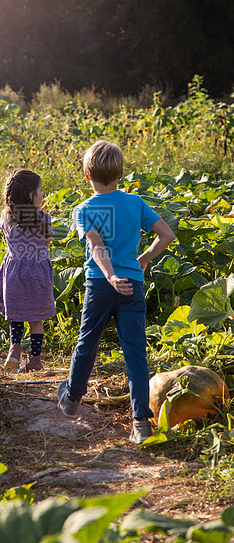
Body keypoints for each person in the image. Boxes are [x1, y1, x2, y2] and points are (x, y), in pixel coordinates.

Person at [57, 140, 175, 443]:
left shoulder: (83, 209)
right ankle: (140, 423)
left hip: (100, 284)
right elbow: (166, 235)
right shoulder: (135, 203)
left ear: (86, 174)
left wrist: (109, 276)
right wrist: (144, 259)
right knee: (135, 352)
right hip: (132, 285)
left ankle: (71, 401)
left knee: (87, 343)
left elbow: (96, 246)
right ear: (121, 172)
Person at [0, 169, 56, 372]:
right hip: (37, 272)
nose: (43, 194)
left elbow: (8, 238)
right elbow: (46, 245)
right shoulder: (44, 220)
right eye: (40, 191)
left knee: (16, 316)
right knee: (36, 320)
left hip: (14, 271)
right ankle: (35, 361)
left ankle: (14, 351)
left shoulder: (6, 218)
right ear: (30, 195)